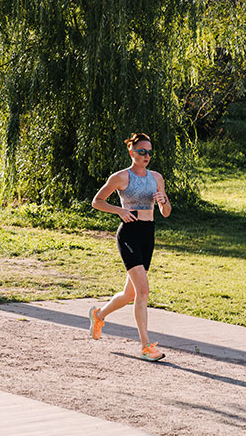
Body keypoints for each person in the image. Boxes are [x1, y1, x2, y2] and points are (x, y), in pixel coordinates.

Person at [89, 131, 171, 361]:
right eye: (142, 152)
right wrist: (119, 210)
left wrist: (164, 202)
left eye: (149, 152)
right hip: (129, 234)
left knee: (129, 294)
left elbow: (166, 212)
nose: (146, 156)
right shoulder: (121, 177)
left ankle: (99, 315)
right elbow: (97, 201)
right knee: (143, 291)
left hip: (148, 234)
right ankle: (146, 346)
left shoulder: (157, 177)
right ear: (132, 152)